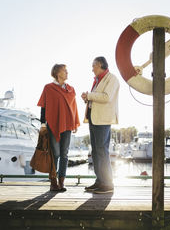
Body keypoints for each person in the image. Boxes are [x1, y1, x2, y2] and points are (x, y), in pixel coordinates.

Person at [37, 64, 80, 192]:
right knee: (55, 153)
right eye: (64, 70)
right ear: (57, 73)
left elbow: (74, 107)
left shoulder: (71, 89)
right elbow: (43, 106)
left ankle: (62, 182)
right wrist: (43, 123)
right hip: (53, 125)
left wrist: (75, 122)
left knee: (64, 154)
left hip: (67, 124)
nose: (67, 72)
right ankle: (53, 182)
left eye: (67, 70)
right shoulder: (48, 88)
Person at [82, 56, 119, 194]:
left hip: (102, 120)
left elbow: (106, 97)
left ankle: (108, 184)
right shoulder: (98, 80)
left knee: (102, 151)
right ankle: (100, 182)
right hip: (94, 118)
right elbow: (98, 97)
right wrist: (88, 98)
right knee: (96, 152)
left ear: (100, 65)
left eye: (94, 66)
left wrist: (89, 95)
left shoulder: (112, 79)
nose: (92, 69)